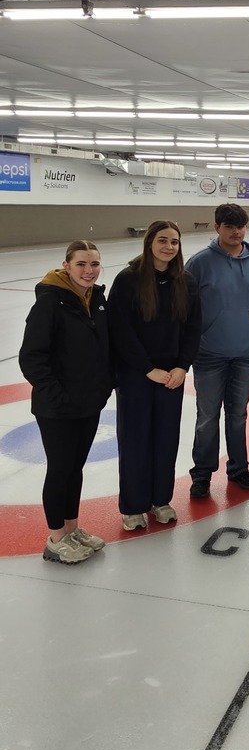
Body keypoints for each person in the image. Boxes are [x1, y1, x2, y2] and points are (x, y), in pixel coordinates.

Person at [19, 240, 113, 564]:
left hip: (89, 402)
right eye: (82, 264)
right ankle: (56, 538)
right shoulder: (50, 302)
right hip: (57, 408)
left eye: (95, 264)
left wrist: (105, 386)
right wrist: (55, 395)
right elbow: (31, 357)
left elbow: (105, 348)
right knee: (60, 470)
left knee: (76, 469)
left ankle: (73, 529)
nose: (89, 271)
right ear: (66, 266)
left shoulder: (96, 299)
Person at [108, 221, 202, 530]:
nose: (169, 247)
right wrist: (147, 369)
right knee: (135, 439)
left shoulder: (185, 282)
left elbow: (192, 328)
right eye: (163, 240)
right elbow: (120, 331)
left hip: (171, 377)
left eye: (174, 242)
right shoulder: (128, 280)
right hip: (137, 375)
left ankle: (160, 500)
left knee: (165, 438)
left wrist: (181, 366)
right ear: (150, 243)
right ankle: (133, 505)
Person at [185, 203, 249, 498]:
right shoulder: (199, 263)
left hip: (245, 353)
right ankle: (202, 474)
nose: (236, 232)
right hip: (209, 354)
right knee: (207, 416)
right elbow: (187, 307)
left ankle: (238, 468)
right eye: (229, 226)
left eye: (240, 226)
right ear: (217, 227)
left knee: (238, 414)